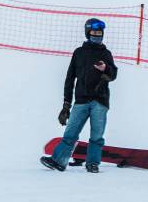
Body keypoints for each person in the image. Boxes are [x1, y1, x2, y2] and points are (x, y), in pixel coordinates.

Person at [40, 18, 118, 173]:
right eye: (94, 32)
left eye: (100, 33)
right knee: (70, 133)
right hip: (81, 101)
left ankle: (93, 164)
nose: (97, 35)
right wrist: (66, 104)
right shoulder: (79, 53)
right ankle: (58, 161)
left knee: (97, 136)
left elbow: (113, 74)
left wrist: (106, 69)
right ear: (88, 33)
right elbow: (70, 78)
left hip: (100, 101)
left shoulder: (106, 54)